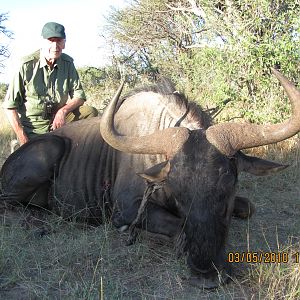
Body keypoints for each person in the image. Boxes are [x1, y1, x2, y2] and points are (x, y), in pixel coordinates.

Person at [3, 21, 98, 145]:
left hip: (59, 123)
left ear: (64, 43)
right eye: (51, 41)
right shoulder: (26, 65)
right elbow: (9, 107)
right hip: (34, 128)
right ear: (42, 42)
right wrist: (22, 137)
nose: (55, 46)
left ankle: (77, 148)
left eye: (59, 41)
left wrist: (62, 112)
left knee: (90, 112)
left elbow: (79, 96)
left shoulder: (68, 63)